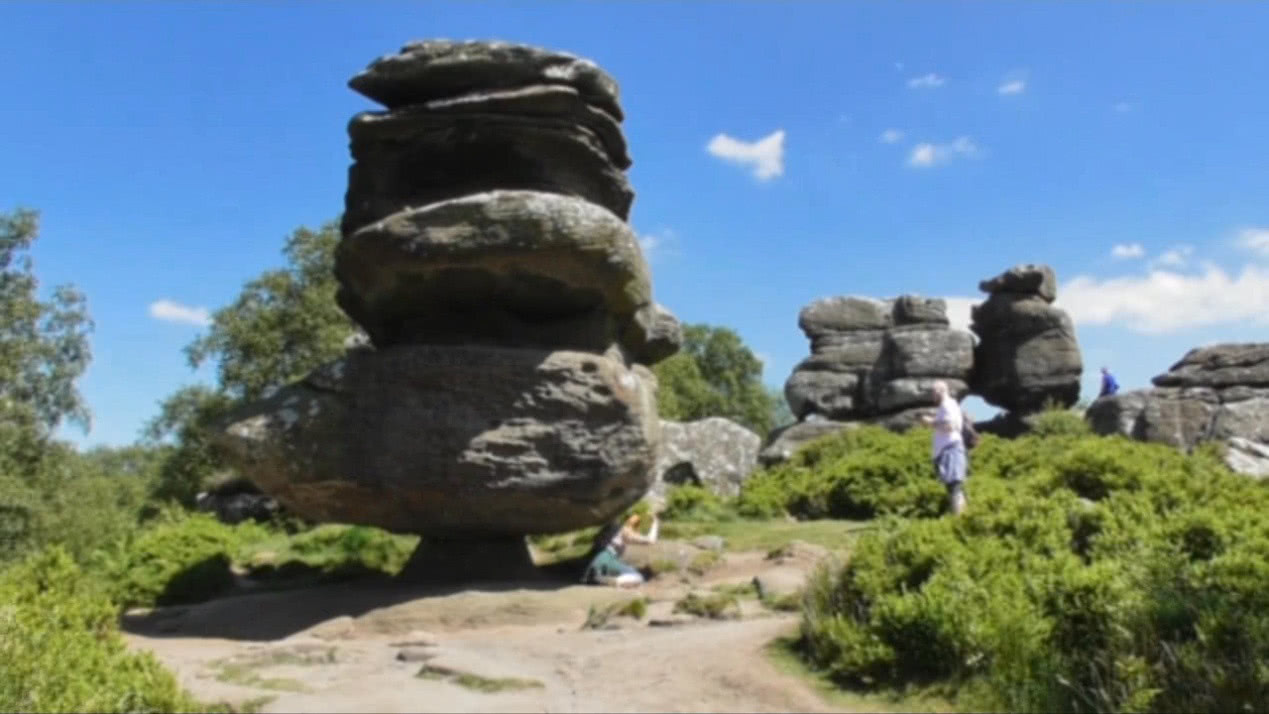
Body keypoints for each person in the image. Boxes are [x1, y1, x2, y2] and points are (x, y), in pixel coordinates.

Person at [920, 380, 969, 515]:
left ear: (941, 390)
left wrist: (930, 422)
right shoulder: (946, 406)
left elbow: (950, 426)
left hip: (951, 449)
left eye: (933, 392)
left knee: (954, 486)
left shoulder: (948, 405)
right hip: (947, 450)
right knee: (953, 486)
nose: (932, 395)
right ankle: (962, 517)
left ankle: (960, 519)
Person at [581, 512, 659, 587]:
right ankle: (615, 580)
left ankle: (600, 578)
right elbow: (651, 540)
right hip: (607, 558)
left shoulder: (612, 528)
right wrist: (655, 523)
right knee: (638, 577)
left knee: (623, 568)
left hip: (595, 560)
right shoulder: (625, 531)